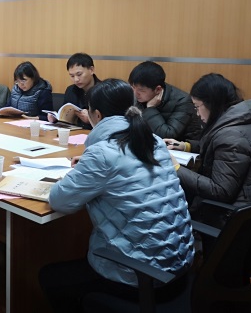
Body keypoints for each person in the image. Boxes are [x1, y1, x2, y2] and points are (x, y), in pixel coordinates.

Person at [39, 79, 194, 312]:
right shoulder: (154, 142)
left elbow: (60, 201)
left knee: (50, 277)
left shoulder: (102, 154)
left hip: (141, 278)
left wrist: (88, 168)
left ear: (97, 115)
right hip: (180, 269)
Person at [165, 73, 251, 218]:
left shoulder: (231, 137)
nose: (197, 114)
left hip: (233, 216)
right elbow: (224, 152)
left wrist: (176, 168)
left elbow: (220, 191)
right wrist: (186, 146)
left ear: (212, 104)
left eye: (197, 107)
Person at [129, 61, 202, 140]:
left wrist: (150, 109)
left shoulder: (182, 101)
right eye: (133, 87)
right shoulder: (136, 96)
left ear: (158, 89)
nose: (135, 93)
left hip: (178, 145)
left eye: (141, 90)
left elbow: (168, 135)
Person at [48, 53, 101, 129]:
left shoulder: (104, 91)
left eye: (79, 74)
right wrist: (56, 118)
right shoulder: (71, 90)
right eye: (72, 76)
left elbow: (112, 123)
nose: (76, 79)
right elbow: (66, 118)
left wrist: (91, 119)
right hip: (74, 132)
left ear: (91, 70)